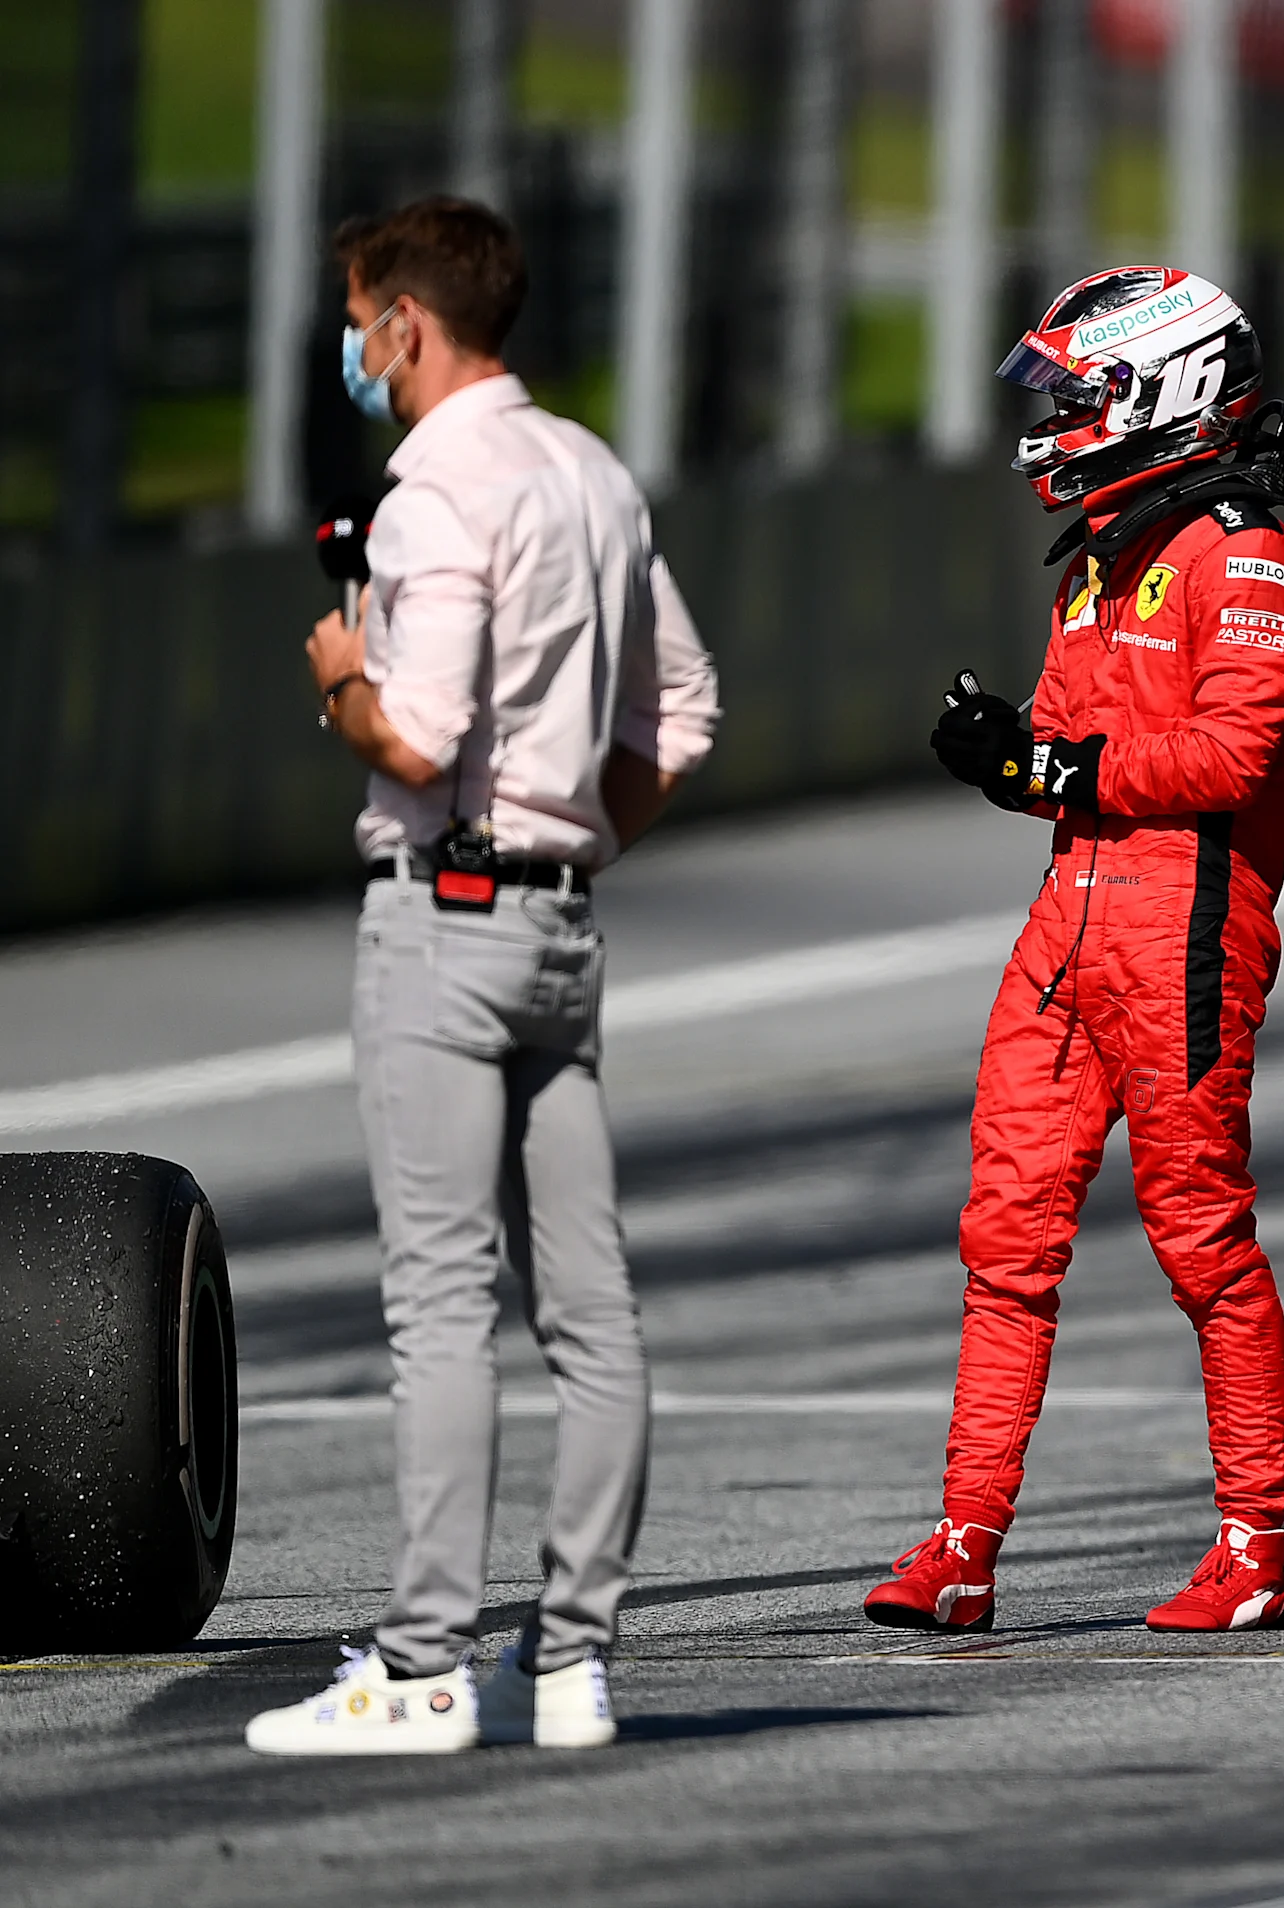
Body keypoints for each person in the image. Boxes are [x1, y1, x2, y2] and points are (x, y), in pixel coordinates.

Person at [245, 198, 720, 1755]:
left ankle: (425, 1661)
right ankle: (573, 1657)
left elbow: (423, 733)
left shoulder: (436, 489)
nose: (356, 353)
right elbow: (687, 713)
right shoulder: (589, 469)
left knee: (439, 1306)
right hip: (561, 925)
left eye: (363, 321)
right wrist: (569, 843)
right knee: (593, 1310)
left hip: (443, 923)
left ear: (406, 328)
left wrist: (340, 686)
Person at [863, 266, 1284, 1634]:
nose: (1058, 418)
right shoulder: (1103, 570)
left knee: (1202, 1240)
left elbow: (1229, 757)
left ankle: (1253, 1547)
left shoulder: (1250, 562)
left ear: (1165, 396)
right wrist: (1005, 756)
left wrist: (1057, 760)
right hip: (1070, 919)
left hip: (1185, 924)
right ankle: (962, 1545)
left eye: (1081, 394)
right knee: (1004, 1238)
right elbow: (1068, 756)